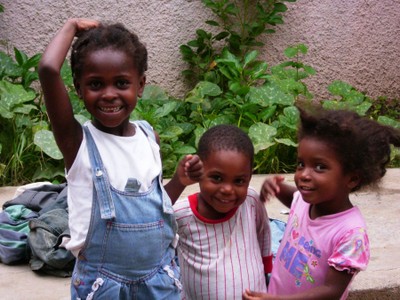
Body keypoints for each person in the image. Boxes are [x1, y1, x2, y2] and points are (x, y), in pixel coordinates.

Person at [38, 18, 202, 299]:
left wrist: (178, 182)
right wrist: (72, 26)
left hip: (159, 279)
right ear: (78, 89)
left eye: (122, 83)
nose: (110, 94)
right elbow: (48, 70)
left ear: (140, 85)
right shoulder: (76, 143)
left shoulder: (150, 138)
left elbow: (155, 209)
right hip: (103, 286)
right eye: (96, 84)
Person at [243, 106, 400, 300]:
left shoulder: (350, 233)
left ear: (351, 179)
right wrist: (277, 189)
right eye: (301, 164)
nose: (304, 175)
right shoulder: (308, 200)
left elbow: (332, 290)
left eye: (319, 167)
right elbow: (295, 200)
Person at [173, 124, 273, 299]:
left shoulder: (250, 201)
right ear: (199, 172)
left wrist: (267, 272)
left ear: (250, 177)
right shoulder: (181, 214)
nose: (227, 189)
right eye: (217, 178)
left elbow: (263, 233)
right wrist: (177, 182)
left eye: (239, 181)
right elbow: (152, 228)